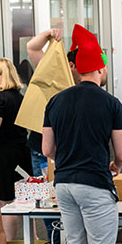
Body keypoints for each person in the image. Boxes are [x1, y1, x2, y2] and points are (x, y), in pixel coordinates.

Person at [42, 25, 122, 244]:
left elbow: (47, 150)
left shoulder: (56, 101)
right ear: (101, 69)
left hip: (65, 185)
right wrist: (116, 165)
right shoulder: (112, 104)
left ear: (78, 70)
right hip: (95, 184)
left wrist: (67, 158)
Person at [0, 58, 32, 241]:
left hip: (4, 158)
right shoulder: (19, 97)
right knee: (26, 203)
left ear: (3, 75)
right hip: (22, 155)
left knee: (6, 202)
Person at [25, 28, 80, 176]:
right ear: (71, 66)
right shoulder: (54, 76)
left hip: (71, 149)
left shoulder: (90, 84)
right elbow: (32, 47)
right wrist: (48, 34)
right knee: (45, 195)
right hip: (43, 148)